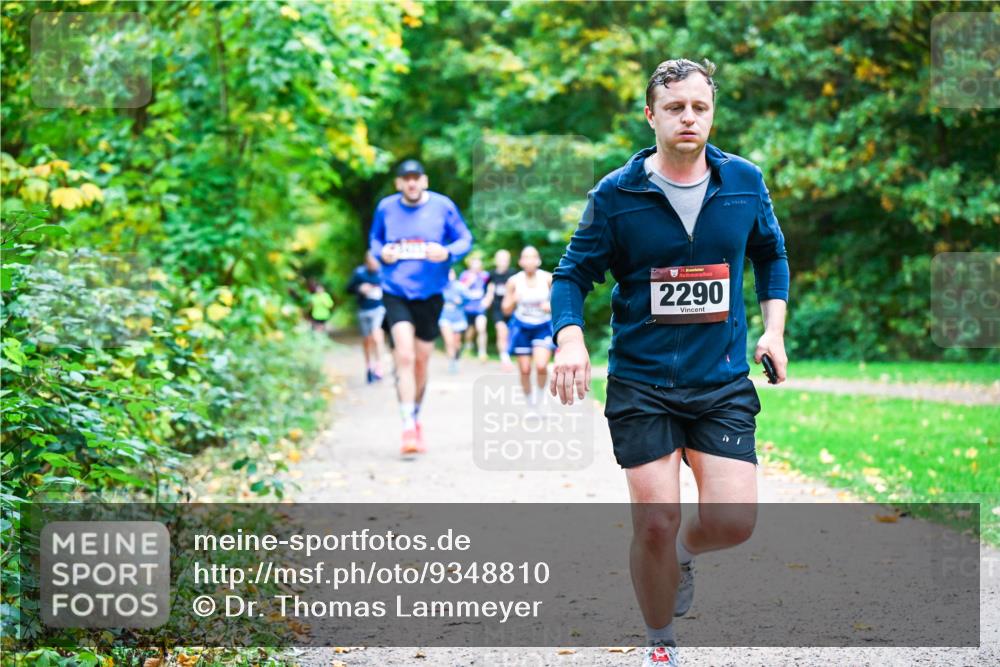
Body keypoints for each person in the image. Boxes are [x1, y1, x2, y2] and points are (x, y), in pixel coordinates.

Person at [548, 58, 789, 666]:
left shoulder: (743, 183)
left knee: (734, 522)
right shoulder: (617, 194)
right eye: (675, 107)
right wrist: (570, 340)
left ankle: (682, 553)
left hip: (720, 380)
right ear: (650, 114)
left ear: (712, 113)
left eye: (699, 107)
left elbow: (771, 253)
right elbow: (572, 275)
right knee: (653, 520)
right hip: (642, 383)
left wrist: (774, 330)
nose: (689, 117)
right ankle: (660, 645)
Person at [369, 159, 473, 457]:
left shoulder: (442, 206)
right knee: (404, 354)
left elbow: (465, 238)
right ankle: (407, 426)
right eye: (406, 179)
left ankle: (415, 415)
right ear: (399, 184)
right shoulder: (386, 208)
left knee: (421, 361)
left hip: (431, 292)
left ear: (424, 181)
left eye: (416, 178)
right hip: (396, 290)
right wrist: (382, 253)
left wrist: (447, 252)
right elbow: (375, 239)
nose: (411, 183)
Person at [501, 246, 554, 406]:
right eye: (526, 257)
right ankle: (530, 403)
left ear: (538, 260)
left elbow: (561, 303)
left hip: (542, 326)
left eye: (533, 257)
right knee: (524, 370)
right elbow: (505, 310)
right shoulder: (513, 281)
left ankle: (540, 396)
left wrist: (550, 305)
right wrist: (513, 299)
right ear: (521, 261)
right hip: (521, 327)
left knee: (541, 366)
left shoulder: (548, 278)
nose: (530, 260)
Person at [346, 252, 386, 384]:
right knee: (367, 340)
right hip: (363, 310)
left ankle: (379, 366)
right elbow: (348, 289)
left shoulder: (383, 273)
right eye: (371, 262)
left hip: (379, 309)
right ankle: (369, 366)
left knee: (377, 335)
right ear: (366, 262)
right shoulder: (359, 273)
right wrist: (360, 288)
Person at [483, 249, 516, 370]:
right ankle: (504, 358)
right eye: (500, 259)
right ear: (496, 260)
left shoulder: (513, 274)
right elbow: (488, 290)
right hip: (497, 308)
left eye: (505, 259)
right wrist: (487, 299)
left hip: (512, 309)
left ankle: (509, 354)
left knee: (510, 334)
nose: (503, 262)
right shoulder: (491, 275)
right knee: (501, 331)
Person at [438, 268, 471, 374]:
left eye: (450, 273)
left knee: (457, 343)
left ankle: (456, 358)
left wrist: (461, 302)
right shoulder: (440, 286)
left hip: (458, 318)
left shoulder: (460, 287)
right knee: (449, 341)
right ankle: (451, 362)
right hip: (444, 317)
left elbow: (469, 297)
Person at [459, 253, 490, 361]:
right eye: (474, 265)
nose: (476, 267)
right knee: (470, 330)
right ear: (470, 265)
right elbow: (460, 289)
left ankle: (482, 352)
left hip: (480, 307)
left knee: (481, 328)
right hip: (468, 307)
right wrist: (469, 281)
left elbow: (490, 287)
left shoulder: (485, 275)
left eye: (478, 265)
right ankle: (468, 346)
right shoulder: (465, 275)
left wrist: (487, 298)